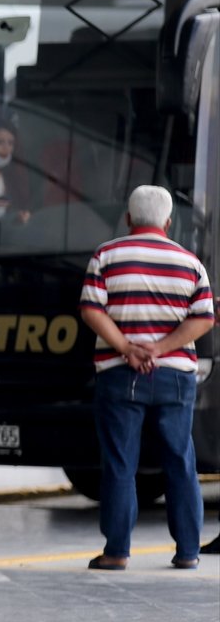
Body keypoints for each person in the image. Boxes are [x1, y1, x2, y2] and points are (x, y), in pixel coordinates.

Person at [79, 185, 214, 571]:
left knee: (121, 462)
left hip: (120, 374)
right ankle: (188, 551)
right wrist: (163, 347)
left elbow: (91, 310)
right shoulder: (190, 263)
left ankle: (117, 551)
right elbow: (204, 317)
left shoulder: (106, 256)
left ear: (128, 218)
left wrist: (127, 347)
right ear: (169, 222)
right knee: (179, 459)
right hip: (175, 378)